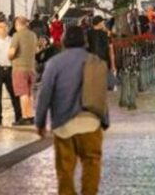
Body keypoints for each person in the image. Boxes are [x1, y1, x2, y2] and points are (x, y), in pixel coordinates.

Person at [36, 25, 109, 195]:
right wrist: (104, 120)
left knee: (65, 169)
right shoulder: (95, 61)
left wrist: (40, 122)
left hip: (64, 125)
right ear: (84, 42)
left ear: (63, 40)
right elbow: (102, 92)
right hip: (91, 122)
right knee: (92, 163)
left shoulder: (54, 63)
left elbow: (45, 94)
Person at [9, 16, 39, 126]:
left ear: (17, 24)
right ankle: (31, 116)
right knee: (30, 93)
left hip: (19, 68)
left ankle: (25, 116)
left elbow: (12, 52)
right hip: (31, 67)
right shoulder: (33, 35)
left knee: (23, 93)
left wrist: (10, 57)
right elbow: (36, 50)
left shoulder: (17, 35)